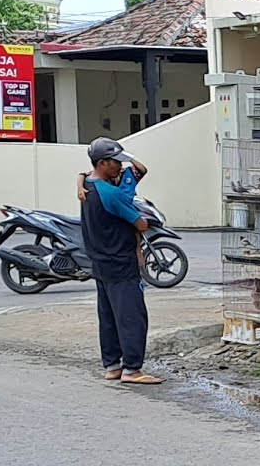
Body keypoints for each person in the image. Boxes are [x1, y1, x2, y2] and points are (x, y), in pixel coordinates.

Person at [81, 137, 162, 385]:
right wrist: (142, 222)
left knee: (108, 317)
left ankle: (112, 366)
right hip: (121, 262)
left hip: (100, 262)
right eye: (116, 162)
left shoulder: (88, 187)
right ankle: (132, 369)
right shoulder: (112, 193)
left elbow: (83, 175)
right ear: (102, 163)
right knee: (131, 316)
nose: (120, 166)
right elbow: (141, 223)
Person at [77, 146, 148, 202]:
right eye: (116, 162)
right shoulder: (105, 175)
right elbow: (82, 175)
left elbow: (143, 170)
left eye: (120, 162)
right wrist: (80, 188)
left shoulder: (128, 173)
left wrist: (129, 158)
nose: (120, 165)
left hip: (129, 206)